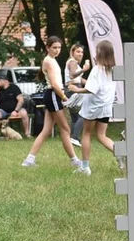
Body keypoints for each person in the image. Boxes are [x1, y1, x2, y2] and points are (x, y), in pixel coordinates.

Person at [21, 36, 80, 167]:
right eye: (54, 47)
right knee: (65, 129)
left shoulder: (52, 60)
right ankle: (74, 161)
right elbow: (54, 84)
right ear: (47, 48)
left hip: (53, 95)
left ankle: (29, 160)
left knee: (47, 130)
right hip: (53, 95)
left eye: (59, 47)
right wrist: (65, 98)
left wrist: (63, 96)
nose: (57, 50)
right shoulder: (48, 61)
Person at [66, 40, 121, 174]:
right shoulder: (113, 69)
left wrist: (76, 90)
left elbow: (91, 89)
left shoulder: (97, 69)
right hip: (106, 106)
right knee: (102, 135)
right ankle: (120, 153)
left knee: (87, 133)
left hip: (93, 106)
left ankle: (85, 167)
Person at [64, 43, 89, 144]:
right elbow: (72, 75)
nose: (80, 54)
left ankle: (73, 139)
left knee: (75, 117)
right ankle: (75, 137)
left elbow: (79, 78)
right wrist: (84, 69)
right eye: (78, 51)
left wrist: (89, 83)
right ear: (72, 52)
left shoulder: (74, 63)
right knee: (85, 114)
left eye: (82, 52)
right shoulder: (73, 62)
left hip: (71, 89)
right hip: (74, 89)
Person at [0, 71, 26, 140]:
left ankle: (27, 134)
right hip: (3, 110)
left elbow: (21, 100)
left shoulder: (14, 88)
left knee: (24, 112)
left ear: (4, 80)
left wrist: (16, 111)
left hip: (15, 110)